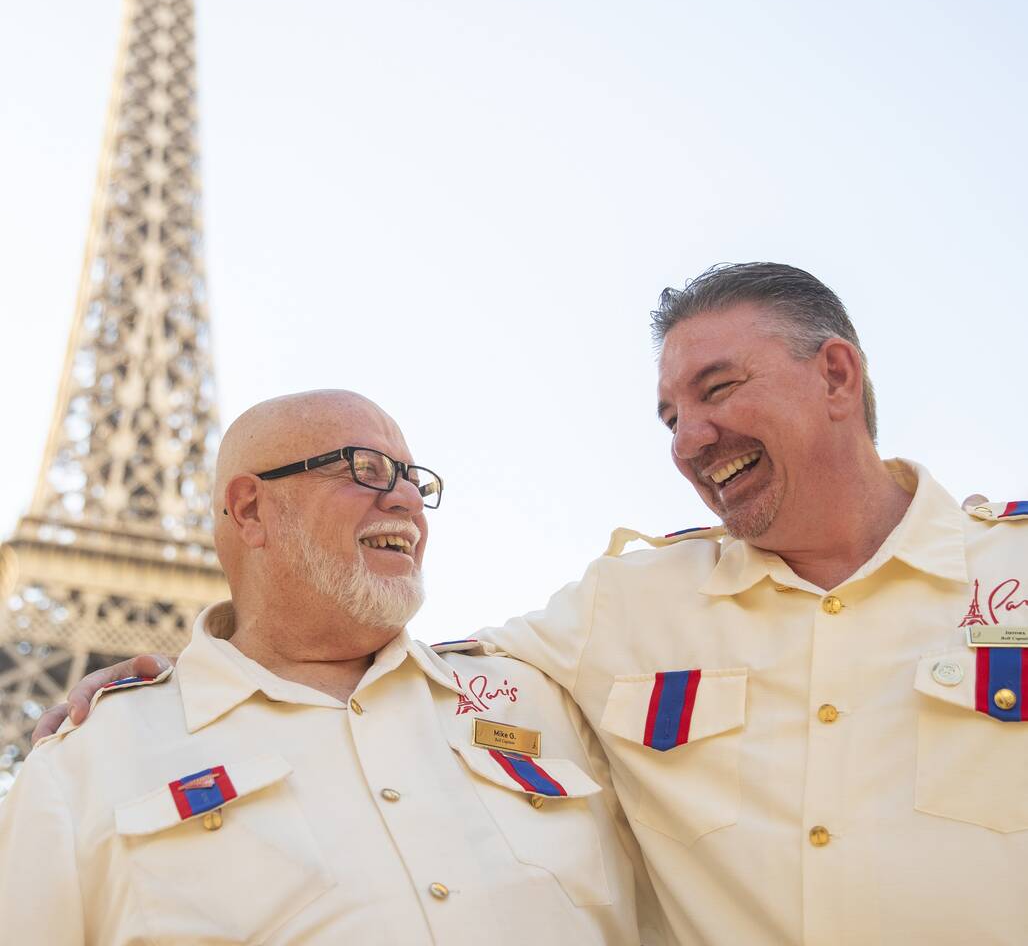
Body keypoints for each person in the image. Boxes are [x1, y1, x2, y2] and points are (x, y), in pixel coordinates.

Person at [33, 263, 1028, 944]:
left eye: (717, 389)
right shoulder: (621, 611)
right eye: (668, 414)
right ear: (245, 509)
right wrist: (190, 678)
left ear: (836, 376)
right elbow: (367, 657)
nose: (687, 437)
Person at [0, 390, 663, 945]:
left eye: (412, 477)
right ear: (252, 509)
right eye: (366, 469)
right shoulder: (87, 763)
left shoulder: (542, 694)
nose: (405, 497)